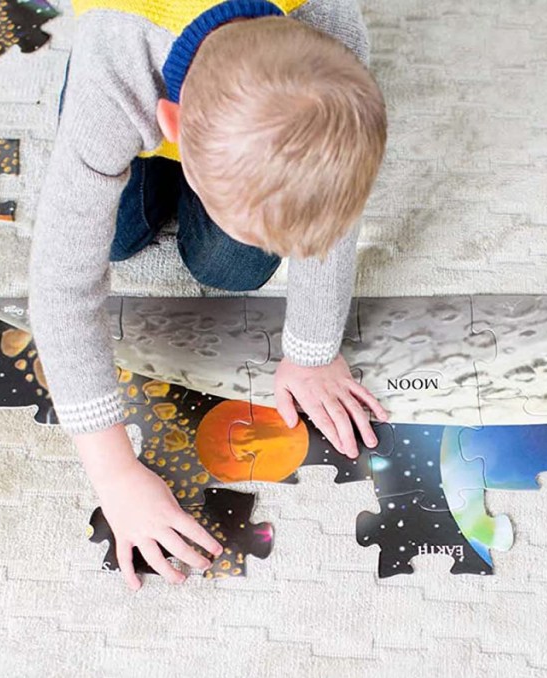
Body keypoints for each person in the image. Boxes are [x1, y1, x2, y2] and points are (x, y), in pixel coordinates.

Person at [28, 0, 388, 589]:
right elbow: (61, 285)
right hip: (134, 60)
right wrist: (114, 471)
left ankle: (225, 203)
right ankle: (167, 169)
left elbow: (332, 207)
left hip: (201, 96)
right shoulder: (115, 60)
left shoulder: (335, 38)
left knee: (233, 264)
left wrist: (313, 349)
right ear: (172, 125)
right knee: (112, 236)